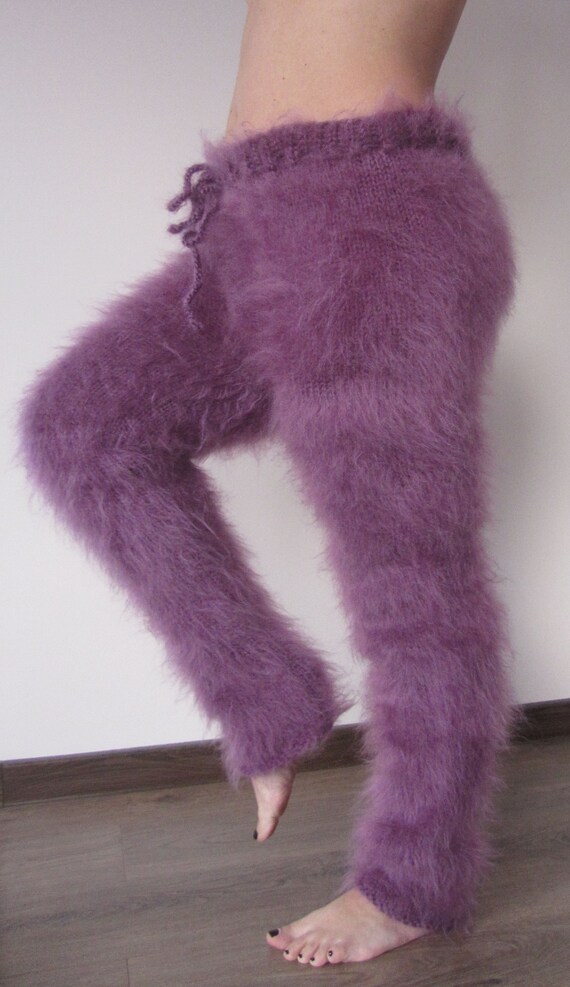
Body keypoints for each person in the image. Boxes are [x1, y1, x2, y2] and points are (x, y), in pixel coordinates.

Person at [15, 0, 523, 967]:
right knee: (81, 426)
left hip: (373, 220)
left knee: (414, 585)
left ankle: (414, 879)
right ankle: (268, 695)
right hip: (252, 219)